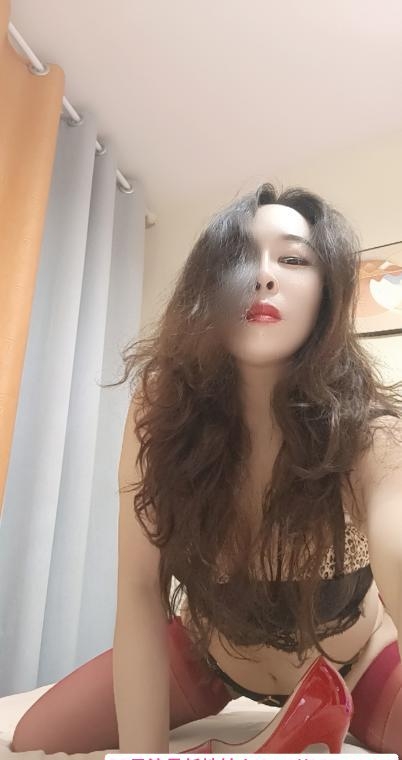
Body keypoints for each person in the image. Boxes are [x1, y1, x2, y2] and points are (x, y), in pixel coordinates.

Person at [11, 182, 402, 755]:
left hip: (356, 666)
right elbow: (139, 590)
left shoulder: (370, 428)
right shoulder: (163, 409)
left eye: (293, 259)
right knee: (34, 738)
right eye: (239, 258)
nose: (262, 275)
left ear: (328, 291)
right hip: (210, 659)